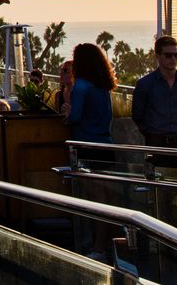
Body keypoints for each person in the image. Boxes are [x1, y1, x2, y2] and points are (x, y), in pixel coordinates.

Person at [69, 43, 117, 260]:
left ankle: (98, 247)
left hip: (86, 146)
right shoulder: (103, 86)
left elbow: (76, 117)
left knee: (94, 200)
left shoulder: (81, 86)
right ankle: (105, 244)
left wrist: (66, 113)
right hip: (105, 145)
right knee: (106, 199)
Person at [131, 35, 177, 149]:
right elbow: (137, 115)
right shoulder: (145, 84)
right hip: (156, 142)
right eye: (168, 55)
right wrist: (150, 134)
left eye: (176, 55)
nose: (173, 59)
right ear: (158, 56)